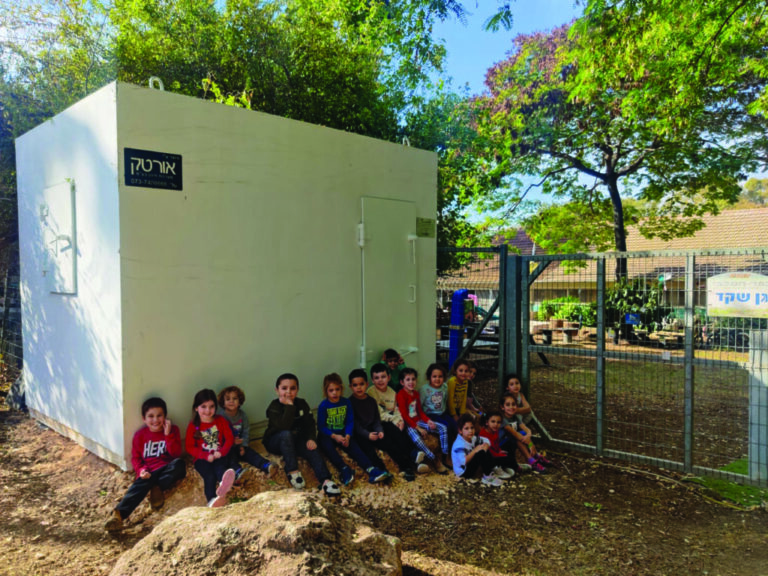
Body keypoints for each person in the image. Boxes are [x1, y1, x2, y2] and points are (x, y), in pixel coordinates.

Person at [105, 397, 186, 532]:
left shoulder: (173, 430)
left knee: (179, 464)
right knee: (139, 485)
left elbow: (175, 453)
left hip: (166, 468)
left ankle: (156, 487)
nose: (155, 420)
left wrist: (167, 435)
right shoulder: (140, 435)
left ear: (165, 416)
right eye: (151, 416)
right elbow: (136, 458)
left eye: (159, 415)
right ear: (144, 418)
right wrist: (141, 470)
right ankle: (118, 515)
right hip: (150, 471)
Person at [263, 373, 341, 496]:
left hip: (296, 440)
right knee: (286, 434)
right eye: (284, 388)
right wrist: (289, 406)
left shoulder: (302, 403)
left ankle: (325, 480)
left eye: (293, 388)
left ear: (297, 390)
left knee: (312, 448)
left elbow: (310, 423)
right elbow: (283, 426)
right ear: (277, 390)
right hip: (276, 441)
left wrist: (311, 438)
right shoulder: (274, 407)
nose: (288, 392)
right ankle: (292, 470)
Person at [317, 373, 391, 485]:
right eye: (331, 390)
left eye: (337, 389)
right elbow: (321, 426)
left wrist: (347, 436)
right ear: (326, 391)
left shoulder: (346, 402)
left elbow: (349, 421)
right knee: (327, 446)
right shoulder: (323, 405)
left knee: (355, 448)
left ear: (341, 389)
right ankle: (344, 469)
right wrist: (334, 436)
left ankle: (371, 469)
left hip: (343, 433)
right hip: (329, 434)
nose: (334, 393)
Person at [348, 368, 418, 481]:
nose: (359, 387)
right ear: (351, 387)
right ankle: (382, 472)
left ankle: (406, 467)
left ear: (367, 384)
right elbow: (355, 424)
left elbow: (376, 419)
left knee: (390, 444)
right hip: (361, 434)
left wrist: (379, 430)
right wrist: (367, 435)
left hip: (374, 429)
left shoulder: (371, 401)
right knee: (369, 451)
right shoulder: (350, 402)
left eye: (361, 384)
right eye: (355, 385)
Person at [367, 363, 429, 474]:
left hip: (391, 421)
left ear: (389, 377)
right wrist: (395, 420)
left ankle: (417, 461)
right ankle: (407, 464)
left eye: (383, 377)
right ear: (372, 380)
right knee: (391, 440)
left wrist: (400, 420)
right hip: (378, 423)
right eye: (376, 378)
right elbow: (379, 414)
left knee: (404, 432)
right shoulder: (371, 392)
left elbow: (396, 409)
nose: (380, 380)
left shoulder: (392, 392)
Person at [185, 389, 237, 507]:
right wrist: (204, 455)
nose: (208, 411)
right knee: (209, 477)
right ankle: (211, 502)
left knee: (220, 469)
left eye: (211, 406)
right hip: (202, 460)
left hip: (219, 456)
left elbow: (229, 439)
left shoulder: (220, 420)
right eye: (203, 407)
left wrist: (221, 452)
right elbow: (189, 447)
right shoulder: (193, 426)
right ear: (196, 408)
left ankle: (223, 488)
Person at [396, 367, 450, 474]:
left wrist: (428, 421)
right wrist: (418, 428)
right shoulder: (401, 395)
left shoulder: (416, 394)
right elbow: (404, 415)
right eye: (408, 379)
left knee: (443, 428)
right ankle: (434, 460)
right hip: (409, 424)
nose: (411, 382)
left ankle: (444, 456)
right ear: (402, 382)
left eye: (413, 379)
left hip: (418, 420)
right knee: (417, 439)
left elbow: (420, 411)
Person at [217, 385, 275, 479]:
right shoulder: (220, 417)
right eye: (228, 399)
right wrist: (231, 442)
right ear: (223, 403)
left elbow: (245, 431)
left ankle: (266, 465)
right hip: (227, 447)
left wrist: (243, 446)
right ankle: (238, 471)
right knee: (230, 458)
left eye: (234, 398)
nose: (231, 401)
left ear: (240, 401)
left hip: (239, 445)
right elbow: (219, 436)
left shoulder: (242, 415)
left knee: (250, 453)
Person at [500, 393, 552, 473]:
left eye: (513, 404)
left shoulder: (515, 416)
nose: (511, 407)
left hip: (511, 442)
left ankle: (535, 456)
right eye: (508, 405)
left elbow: (526, 430)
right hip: (501, 445)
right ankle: (531, 460)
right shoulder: (503, 419)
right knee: (518, 436)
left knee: (522, 433)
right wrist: (530, 445)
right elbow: (516, 434)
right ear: (502, 407)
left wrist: (529, 436)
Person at [450, 413, 502, 486]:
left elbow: (486, 440)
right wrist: (475, 451)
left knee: (483, 449)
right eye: (466, 428)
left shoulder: (472, 438)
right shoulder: (459, 444)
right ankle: (487, 476)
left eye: (472, 428)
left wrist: (486, 446)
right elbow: (463, 461)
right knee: (480, 453)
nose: (470, 431)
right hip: (463, 472)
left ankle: (492, 468)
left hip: (468, 465)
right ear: (460, 430)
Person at [420, 363, 458, 446]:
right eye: (434, 376)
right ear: (429, 377)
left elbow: (445, 400)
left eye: (440, 376)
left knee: (454, 424)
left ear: (444, 377)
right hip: (431, 414)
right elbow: (420, 404)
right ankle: (449, 447)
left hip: (442, 412)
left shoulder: (444, 387)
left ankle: (458, 443)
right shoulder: (424, 389)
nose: (437, 379)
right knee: (446, 426)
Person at [477, 410, 520, 480]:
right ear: (487, 422)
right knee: (507, 458)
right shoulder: (483, 435)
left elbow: (496, 443)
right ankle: (500, 468)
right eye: (493, 422)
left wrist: (499, 450)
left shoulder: (495, 431)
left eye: (498, 422)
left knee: (510, 444)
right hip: (490, 457)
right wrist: (499, 454)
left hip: (496, 453)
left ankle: (512, 465)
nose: (496, 424)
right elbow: (489, 452)